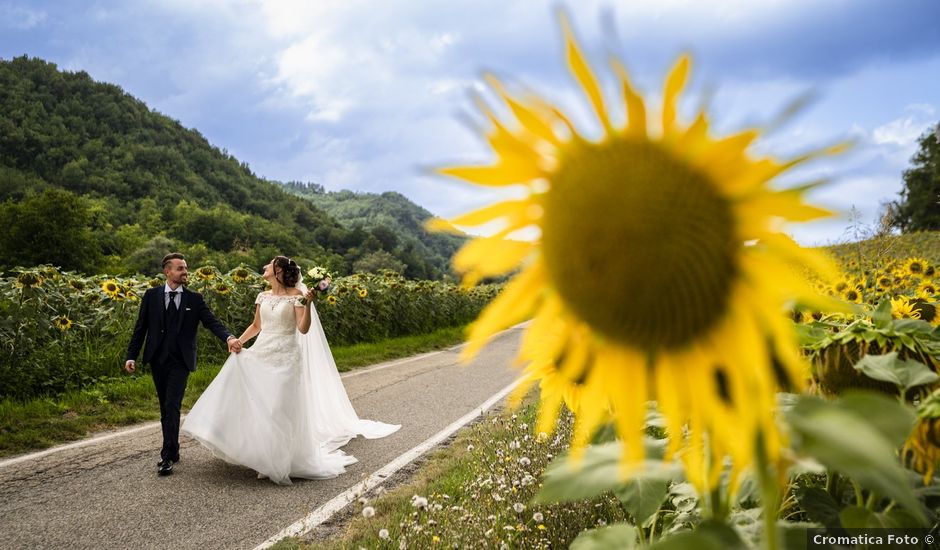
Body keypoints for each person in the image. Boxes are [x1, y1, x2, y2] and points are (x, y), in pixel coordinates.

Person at [181, 256, 400, 485]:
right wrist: (238, 341)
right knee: (258, 402)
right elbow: (257, 326)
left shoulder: (297, 296)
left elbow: (302, 329)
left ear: (278, 271)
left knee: (278, 408)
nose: (264, 267)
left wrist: (309, 304)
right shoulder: (262, 296)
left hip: (286, 356)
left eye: (269, 264)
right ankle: (264, 456)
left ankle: (280, 460)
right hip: (262, 351)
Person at [125, 253, 242, 476]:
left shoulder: (194, 299)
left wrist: (229, 338)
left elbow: (211, 322)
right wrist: (131, 356)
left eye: (186, 268)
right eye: (180, 268)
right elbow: (140, 329)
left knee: (172, 405)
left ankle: (166, 456)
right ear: (167, 272)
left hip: (181, 361)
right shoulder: (151, 296)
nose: (185, 272)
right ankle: (174, 449)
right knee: (164, 407)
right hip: (157, 359)